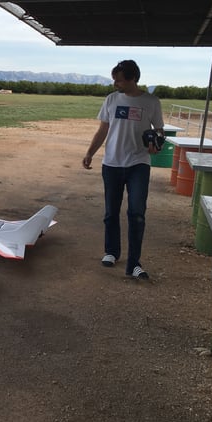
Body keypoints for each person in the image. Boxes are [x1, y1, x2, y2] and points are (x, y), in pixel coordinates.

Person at [82, 60, 164, 280]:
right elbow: (103, 130)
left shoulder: (151, 101)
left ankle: (134, 263)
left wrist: (156, 144)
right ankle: (111, 252)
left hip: (139, 164)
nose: (115, 84)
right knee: (111, 212)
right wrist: (90, 152)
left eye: (118, 80)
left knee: (137, 213)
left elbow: (159, 130)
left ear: (132, 78)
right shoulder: (111, 99)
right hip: (112, 163)